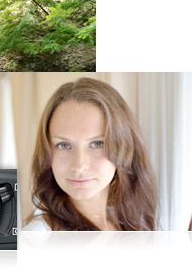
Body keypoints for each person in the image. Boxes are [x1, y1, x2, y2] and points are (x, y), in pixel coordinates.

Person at [24, 78, 158, 231]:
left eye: (97, 144)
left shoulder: (132, 223)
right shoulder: (37, 239)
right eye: (63, 145)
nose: (79, 165)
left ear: (123, 146)